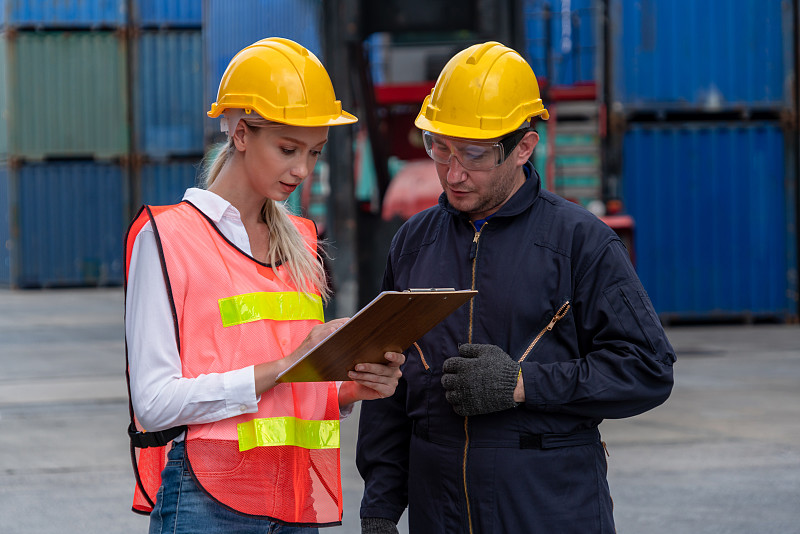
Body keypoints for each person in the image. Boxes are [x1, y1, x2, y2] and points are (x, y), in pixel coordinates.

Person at [356, 41, 676, 534]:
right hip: (437, 514)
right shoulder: (413, 244)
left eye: (475, 154)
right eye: (440, 148)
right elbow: (387, 383)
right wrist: (380, 506)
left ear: (524, 146)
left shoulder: (580, 242)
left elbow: (648, 369)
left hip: (548, 509)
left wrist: (524, 386)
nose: (453, 172)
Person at [124, 37, 404, 534]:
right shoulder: (167, 236)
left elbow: (294, 389)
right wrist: (283, 367)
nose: (302, 170)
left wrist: (348, 387)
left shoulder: (300, 240)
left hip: (295, 501)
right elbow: (153, 402)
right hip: (206, 501)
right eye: (288, 148)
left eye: (314, 152)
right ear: (239, 133)